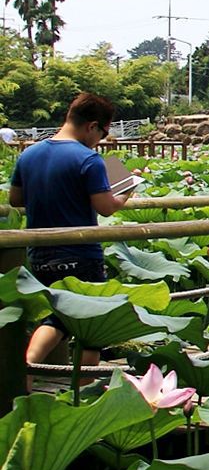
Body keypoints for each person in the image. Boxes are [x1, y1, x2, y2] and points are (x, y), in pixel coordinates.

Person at [9, 92, 135, 367]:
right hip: (80, 253)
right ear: (92, 126)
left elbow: (15, 199)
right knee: (89, 325)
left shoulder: (29, 154)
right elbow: (106, 207)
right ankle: (36, 366)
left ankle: (33, 371)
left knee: (54, 312)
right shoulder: (89, 159)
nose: (100, 140)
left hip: (39, 253)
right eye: (102, 133)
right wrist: (126, 190)